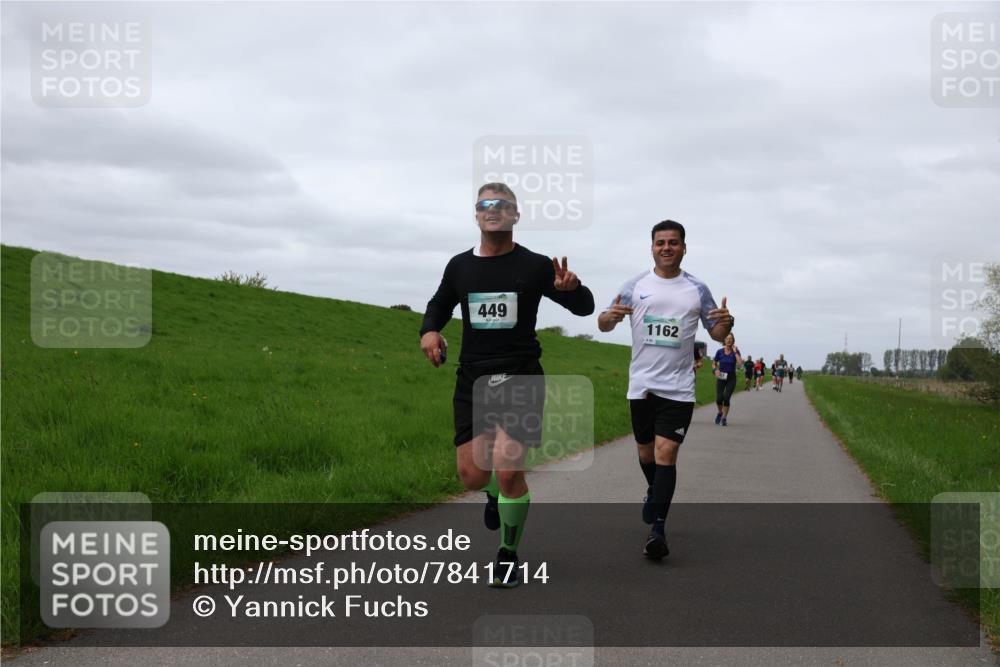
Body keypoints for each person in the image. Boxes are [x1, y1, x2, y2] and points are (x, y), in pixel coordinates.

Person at [419, 183, 595, 586]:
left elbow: (583, 307)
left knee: (510, 472)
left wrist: (574, 290)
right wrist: (429, 332)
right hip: (472, 379)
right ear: (476, 214)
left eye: (503, 205)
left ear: (515, 216)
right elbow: (438, 305)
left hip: (520, 376)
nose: (493, 210)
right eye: (485, 204)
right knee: (473, 476)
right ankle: (492, 495)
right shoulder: (459, 267)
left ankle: (508, 555)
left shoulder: (534, 266)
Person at [598, 219, 733, 560]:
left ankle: (657, 529)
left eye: (673, 242)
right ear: (652, 248)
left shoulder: (697, 290)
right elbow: (603, 322)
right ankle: (653, 490)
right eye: (661, 243)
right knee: (646, 454)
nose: (667, 248)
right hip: (641, 385)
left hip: (678, 388)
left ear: (684, 247)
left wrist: (727, 324)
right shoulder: (635, 285)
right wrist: (610, 318)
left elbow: (716, 332)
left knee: (665, 454)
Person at [712, 334, 743, 426]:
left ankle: (724, 418)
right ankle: (720, 413)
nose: (729, 340)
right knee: (719, 399)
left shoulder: (735, 351)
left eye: (731, 339)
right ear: (724, 340)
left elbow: (740, 363)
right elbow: (714, 363)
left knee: (726, 398)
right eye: (727, 339)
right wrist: (715, 369)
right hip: (721, 376)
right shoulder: (719, 352)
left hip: (731, 378)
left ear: (733, 341)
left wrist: (735, 352)